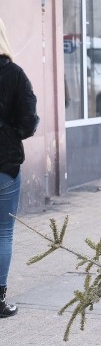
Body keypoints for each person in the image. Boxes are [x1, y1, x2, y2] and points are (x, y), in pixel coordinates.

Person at [0, 18, 40, 318]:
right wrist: (9, 133)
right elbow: (28, 121)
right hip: (4, 163)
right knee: (2, 233)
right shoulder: (14, 75)